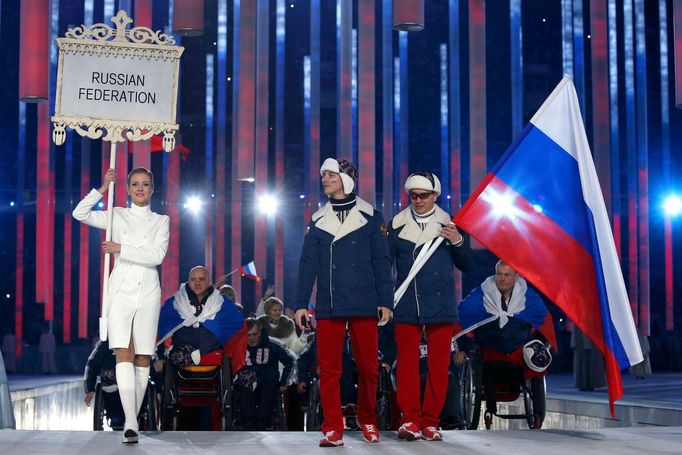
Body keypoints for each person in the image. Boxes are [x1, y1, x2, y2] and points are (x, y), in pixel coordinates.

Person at [294, 158, 393, 447]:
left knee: (369, 367)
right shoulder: (317, 219)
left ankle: (369, 420)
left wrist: (385, 300)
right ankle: (332, 427)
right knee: (328, 368)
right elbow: (307, 264)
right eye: (323, 174)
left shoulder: (372, 217)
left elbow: (381, 262)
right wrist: (301, 303)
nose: (324, 179)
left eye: (331, 175)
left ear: (347, 180)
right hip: (329, 302)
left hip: (364, 301)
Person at [73, 167, 169, 444]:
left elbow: (157, 255)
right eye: (135, 184)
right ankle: (131, 421)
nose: (140, 189)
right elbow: (79, 213)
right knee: (122, 351)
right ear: (127, 189)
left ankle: (131, 419)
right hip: (120, 292)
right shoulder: (116, 215)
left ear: (152, 189)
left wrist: (120, 249)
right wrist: (102, 188)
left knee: (142, 356)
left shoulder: (161, 221)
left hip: (149, 292)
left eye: (146, 184)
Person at [388, 171, 470, 441]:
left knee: (439, 367)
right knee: (408, 366)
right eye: (414, 196)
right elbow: (383, 266)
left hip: (441, 305)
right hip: (407, 304)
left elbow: (468, 265)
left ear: (435, 195)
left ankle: (431, 421)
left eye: (424, 195)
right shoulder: (396, 226)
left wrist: (457, 241)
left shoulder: (451, 224)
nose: (419, 200)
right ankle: (409, 419)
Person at [157, 266, 244, 368]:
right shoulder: (176, 301)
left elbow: (237, 324)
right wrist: (159, 356)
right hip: (182, 347)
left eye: (201, 279)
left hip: (210, 347)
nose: (197, 283)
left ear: (209, 281)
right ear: (188, 282)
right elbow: (161, 326)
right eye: (193, 279)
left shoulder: (221, 303)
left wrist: (202, 349)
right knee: (176, 357)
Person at [235, 318, 296, 430]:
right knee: (245, 381)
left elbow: (291, 360)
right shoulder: (237, 345)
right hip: (246, 382)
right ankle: (248, 420)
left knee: (269, 383)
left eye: (254, 334)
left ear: (260, 332)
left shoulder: (272, 344)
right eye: (248, 335)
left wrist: (284, 382)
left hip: (268, 381)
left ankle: (263, 421)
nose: (252, 338)